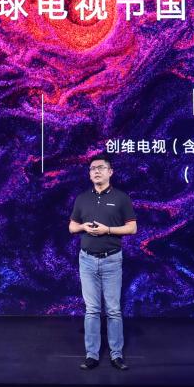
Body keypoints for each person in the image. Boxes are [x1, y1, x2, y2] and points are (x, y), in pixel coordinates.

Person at [68, 154, 137, 370]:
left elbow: (132, 228)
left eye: (100, 167)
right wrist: (83, 227)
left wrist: (107, 230)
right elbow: (72, 226)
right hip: (87, 260)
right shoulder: (82, 199)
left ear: (110, 172)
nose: (96, 171)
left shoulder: (121, 198)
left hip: (112, 260)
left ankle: (117, 355)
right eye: (92, 168)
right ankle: (92, 355)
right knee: (92, 309)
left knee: (113, 310)